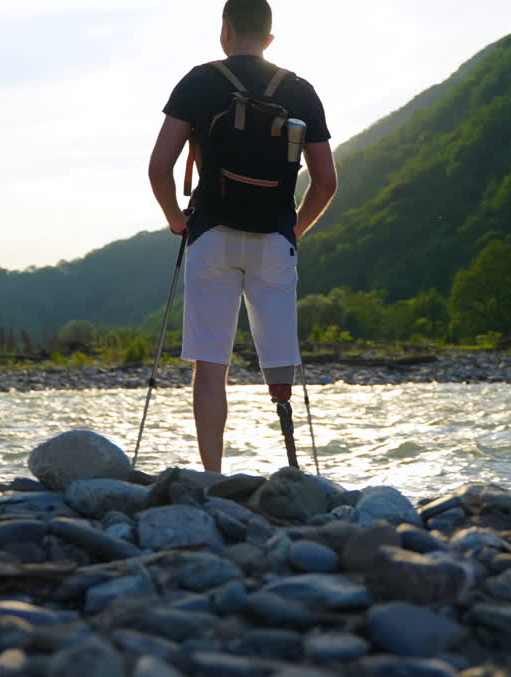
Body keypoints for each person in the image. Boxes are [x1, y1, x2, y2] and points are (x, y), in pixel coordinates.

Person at [148, 0, 337, 473]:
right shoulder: (300, 90)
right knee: (280, 361)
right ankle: (296, 472)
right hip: (275, 239)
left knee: (211, 366)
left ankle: (213, 478)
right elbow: (326, 182)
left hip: (211, 234)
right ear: (270, 38)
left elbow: (159, 167)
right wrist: (295, 228)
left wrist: (175, 218)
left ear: (225, 30)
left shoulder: (199, 81)